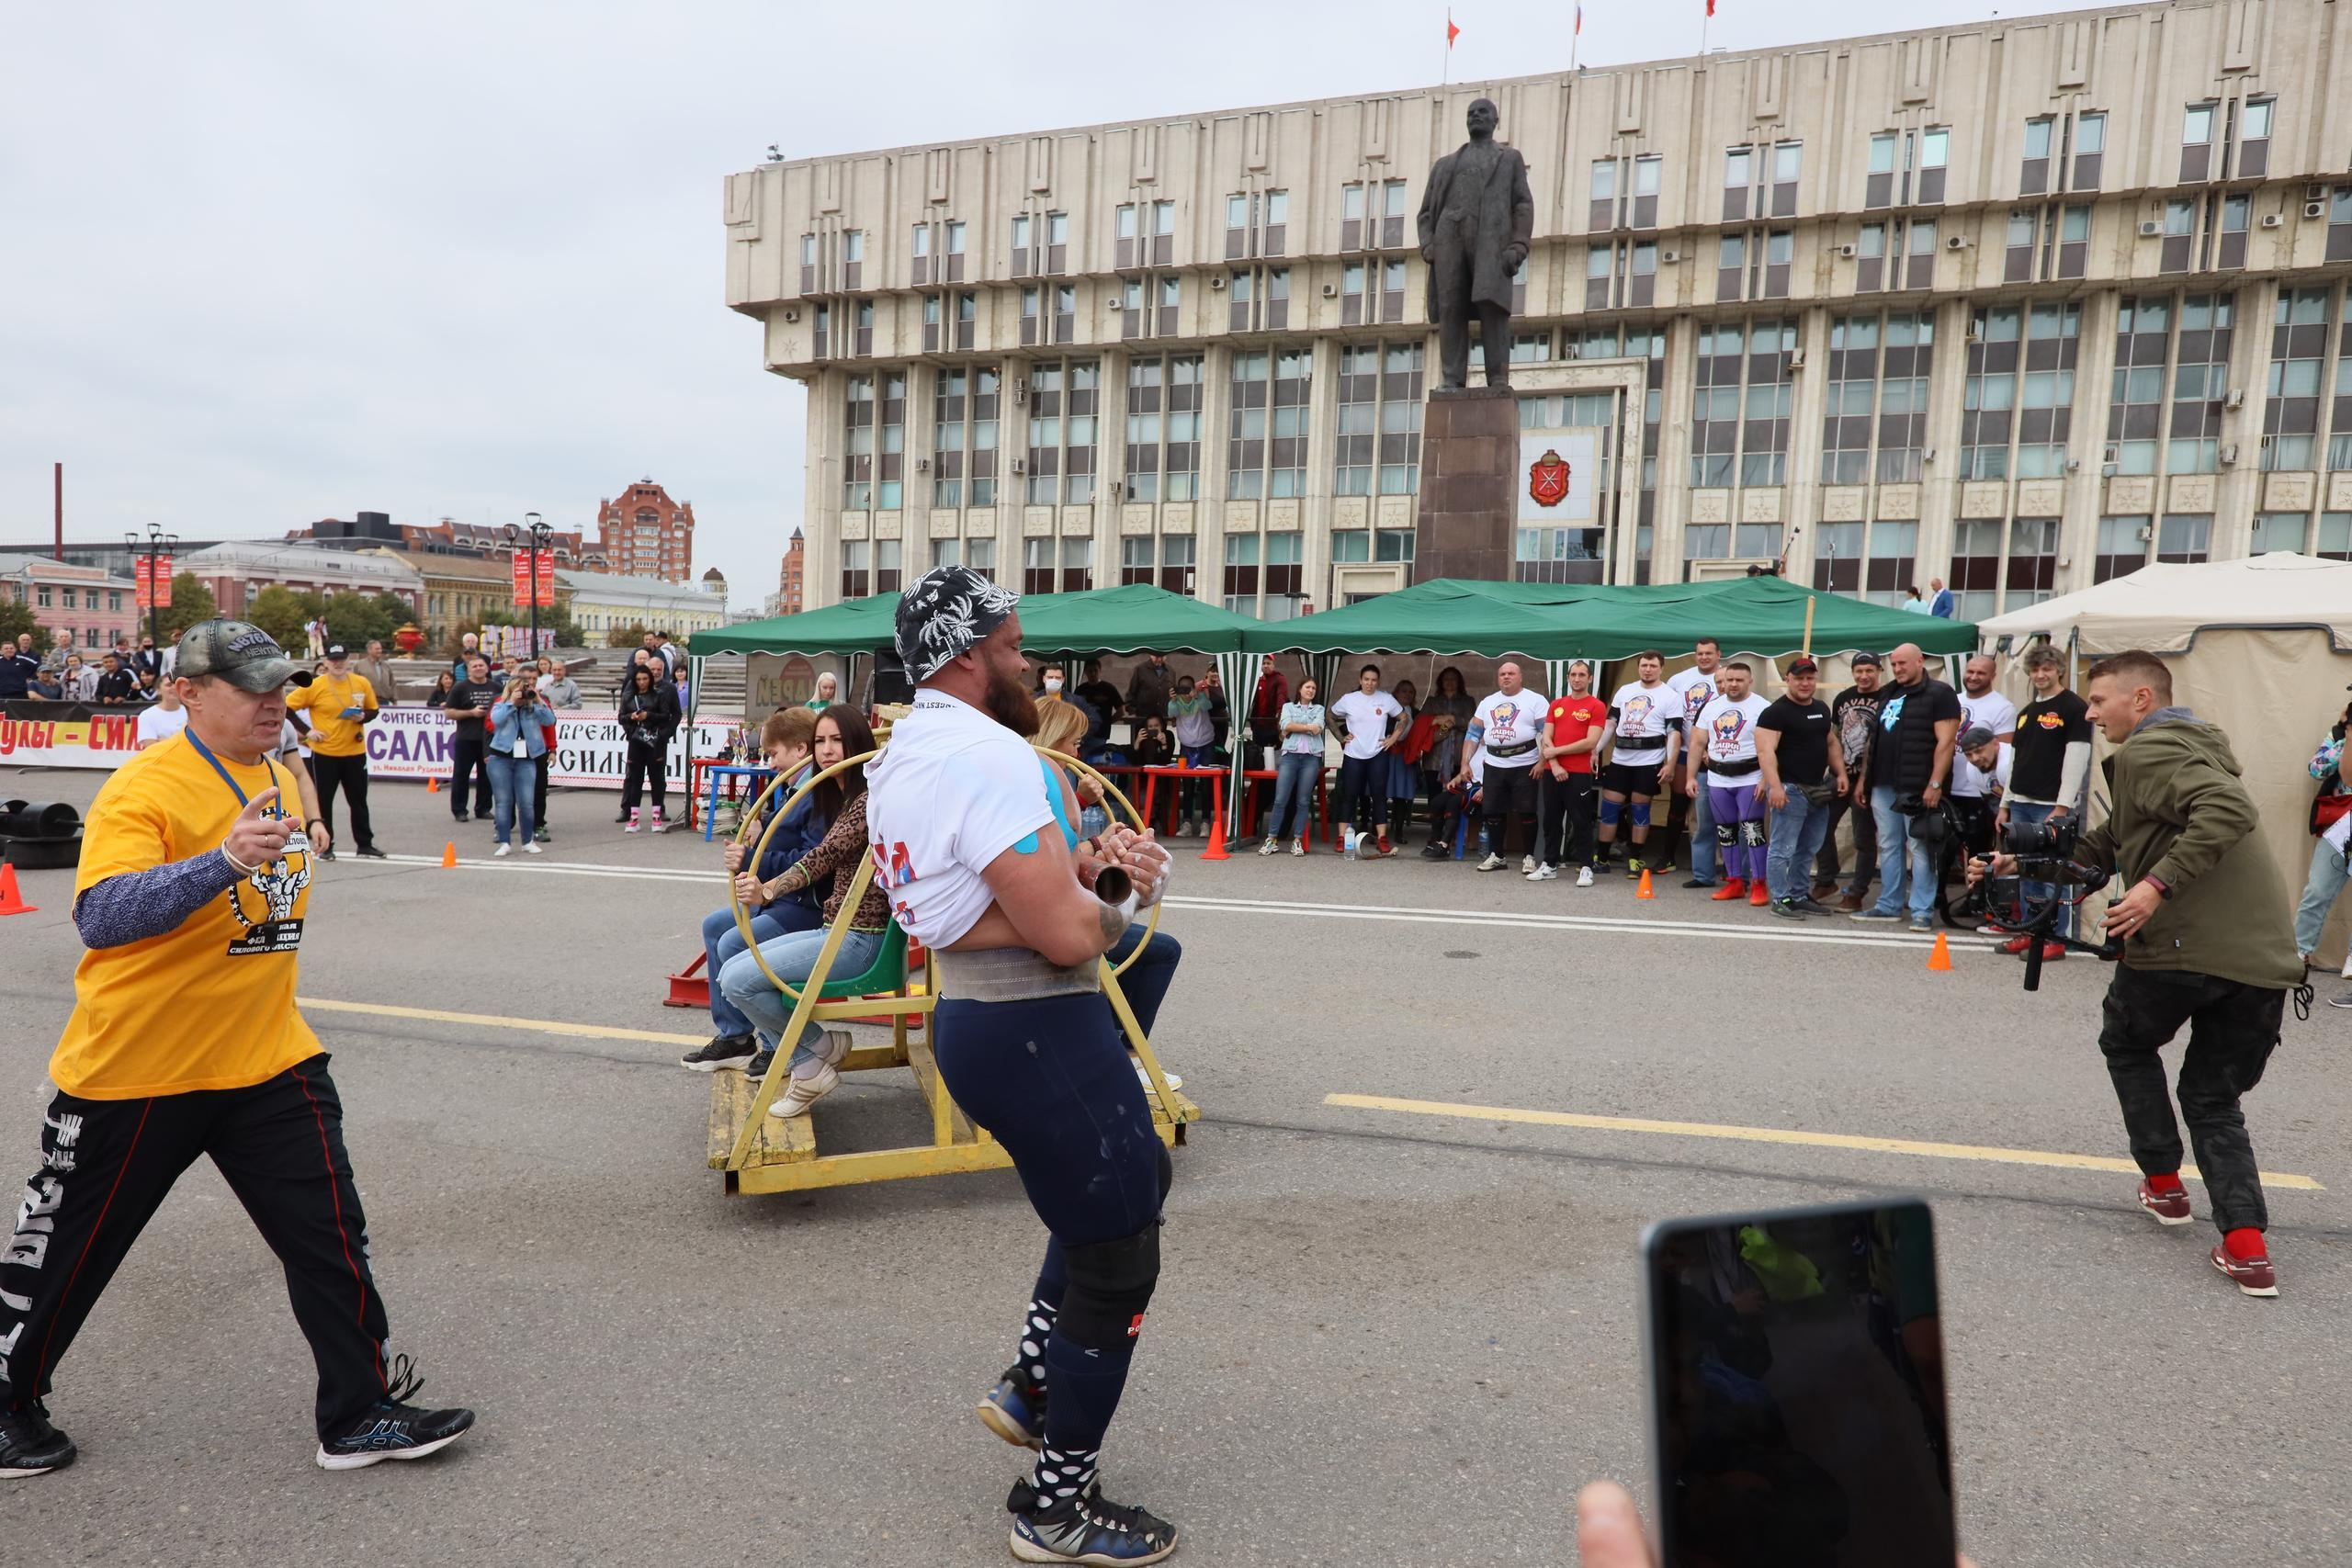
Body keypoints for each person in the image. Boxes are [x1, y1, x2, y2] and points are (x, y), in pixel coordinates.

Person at [0, 619, 474, 1481]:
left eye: (279, 684)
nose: (273, 701)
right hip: (140, 1067)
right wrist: (220, 861)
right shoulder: (145, 786)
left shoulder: (277, 774)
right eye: (251, 686)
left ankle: (358, 1411)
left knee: (331, 1236)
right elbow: (100, 915)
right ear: (187, 692)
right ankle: (5, 1404)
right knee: (67, 1249)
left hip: (268, 1059)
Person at [863, 566, 1180, 1563]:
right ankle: (1056, 1508)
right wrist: (1119, 893)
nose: (1029, 662)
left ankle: (1034, 1381)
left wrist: (1084, 874)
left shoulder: (906, 748)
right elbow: (1070, 936)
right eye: (1012, 645)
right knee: (1118, 1253)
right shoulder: (990, 754)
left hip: (980, 1020)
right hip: (1035, 1025)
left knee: (1124, 1188)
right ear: (968, 657)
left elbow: (972, 899)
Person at [1970, 650, 2305, 1296]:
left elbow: (2230, 811)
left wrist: (2153, 887)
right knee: (2212, 1099)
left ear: (2143, 699)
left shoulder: (2154, 750)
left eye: (2099, 701)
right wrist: (2016, 862)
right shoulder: (2188, 751)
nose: (2091, 714)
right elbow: (2105, 849)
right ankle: (2247, 1248)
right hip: (2263, 965)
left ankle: (2164, 1184)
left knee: (2126, 1043)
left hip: (2179, 950)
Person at [681, 708, 829, 1069]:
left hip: (803, 905)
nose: (770, 763)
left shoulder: (817, 793)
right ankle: (736, 1036)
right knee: (715, 926)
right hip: (785, 898)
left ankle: (775, 1042)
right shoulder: (796, 787)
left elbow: (811, 860)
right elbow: (790, 836)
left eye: (774, 754)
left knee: (734, 941)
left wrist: (751, 859)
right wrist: (762, 826)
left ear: (799, 749)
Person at [1852, 642, 1961, 934]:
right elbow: (1874, 741)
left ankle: (1922, 910)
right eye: (1894, 664)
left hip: (1917, 785)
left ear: (1920, 661)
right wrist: (1864, 779)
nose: (1898, 669)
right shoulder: (1889, 692)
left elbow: (1946, 743)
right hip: (1883, 782)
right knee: (1888, 845)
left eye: (1903, 663)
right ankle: (1889, 905)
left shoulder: (1940, 693)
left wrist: (1935, 783)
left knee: (1920, 847)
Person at [1997, 646, 2093, 962]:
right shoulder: (2026, 712)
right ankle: (2031, 932)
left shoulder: (2073, 707)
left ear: (2059, 670)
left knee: (2053, 873)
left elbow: (2077, 759)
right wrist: (2005, 803)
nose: (2040, 675)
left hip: (2050, 804)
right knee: (2026, 871)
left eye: (2047, 669)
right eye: (2035, 669)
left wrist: (2062, 806)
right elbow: (2015, 761)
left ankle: (2054, 937)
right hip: (2021, 801)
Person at [1755, 657, 1846, 919]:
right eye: (1799, 678)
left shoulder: (1821, 708)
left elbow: (1831, 743)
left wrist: (1840, 773)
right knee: (1782, 849)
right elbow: (1765, 752)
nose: (1805, 683)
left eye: (1810, 678)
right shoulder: (1775, 713)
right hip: (1790, 789)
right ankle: (1780, 898)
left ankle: (1799, 894)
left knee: (1808, 848)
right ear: (1788, 680)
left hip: (1818, 788)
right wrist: (1775, 787)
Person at [285, 644, 382, 863]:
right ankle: (326, 846)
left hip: (355, 751)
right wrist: (308, 731)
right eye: (333, 660)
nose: (338, 664)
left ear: (348, 661)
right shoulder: (316, 685)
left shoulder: (361, 683)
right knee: (324, 801)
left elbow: (373, 710)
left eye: (341, 659)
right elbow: (287, 707)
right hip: (325, 753)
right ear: (326, 662)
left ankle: (365, 844)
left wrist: (363, 717)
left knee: (359, 800)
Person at [1690, 661, 1772, 905]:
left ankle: (1758, 884)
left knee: (1753, 831)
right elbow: (1697, 743)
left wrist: (1766, 779)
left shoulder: (1763, 707)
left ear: (1750, 681)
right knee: (1725, 832)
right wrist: (1690, 776)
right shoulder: (1711, 707)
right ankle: (1734, 882)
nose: (1733, 684)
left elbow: (1773, 748)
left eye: (1739, 680)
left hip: (1750, 777)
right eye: (1729, 680)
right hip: (1717, 778)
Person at [1598, 651, 1681, 880]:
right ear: (1638, 667)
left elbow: (1674, 733)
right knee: (1609, 808)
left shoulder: (1670, 696)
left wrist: (1670, 764)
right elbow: (1610, 724)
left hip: (1649, 761)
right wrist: (1595, 750)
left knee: (1640, 809)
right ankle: (1601, 858)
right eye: (1644, 665)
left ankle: (1635, 858)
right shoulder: (1625, 691)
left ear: (1661, 668)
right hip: (1620, 759)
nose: (1648, 669)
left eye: (1652, 666)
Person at [1815, 651, 1885, 910]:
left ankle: (1857, 892)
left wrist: (1865, 781)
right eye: (1859, 671)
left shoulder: (1887, 698)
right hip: (1839, 775)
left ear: (1879, 671)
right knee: (1818, 825)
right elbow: (1834, 738)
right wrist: (1833, 770)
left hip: (1869, 781)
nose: (1864, 676)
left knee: (1862, 838)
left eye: (1869, 670)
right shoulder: (1843, 698)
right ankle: (1826, 879)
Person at [1461, 662, 1547, 873]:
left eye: (1511, 673)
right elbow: (1473, 734)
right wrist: (1465, 762)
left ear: (1521, 677)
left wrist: (1542, 762)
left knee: (1527, 811)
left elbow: (1547, 734)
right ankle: (1497, 855)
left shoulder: (1535, 700)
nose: (1506, 677)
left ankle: (1529, 857)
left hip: (1525, 763)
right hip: (1494, 763)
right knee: (1493, 811)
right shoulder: (1488, 702)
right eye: (1502, 674)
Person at [2295, 699, 2351, 1009]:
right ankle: (2297, 956)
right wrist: (2344, 733)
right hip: (2339, 827)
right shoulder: (2341, 736)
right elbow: (2316, 768)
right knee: (2316, 890)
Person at [1532, 660, 1607, 885]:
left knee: (1581, 820)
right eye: (1573, 674)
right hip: (1552, 771)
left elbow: (1590, 742)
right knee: (1551, 819)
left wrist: (1556, 751)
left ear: (1590, 678)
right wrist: (1555, 764)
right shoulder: (1556, 704)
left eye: (1582, 675)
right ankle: (1549, 864)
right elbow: (1546, 737)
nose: (1577, 679)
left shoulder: (1596, 706)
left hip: (1578, 772)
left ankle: (1586, 867)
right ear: (1568, 678)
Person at [1949, 654, 2017, 870]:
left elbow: (2003, 750)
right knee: (1946, 850)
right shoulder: (1953, 700)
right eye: (1970, 671)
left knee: (1982, 851)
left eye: (1981, 673)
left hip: (1984, 793)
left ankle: (1983, 889)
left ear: (1993, 676)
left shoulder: (2002, 706)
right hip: (1951, 787)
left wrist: (2002, 808)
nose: (1973, 677)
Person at [1667, 639, 1724, 887]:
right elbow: (1669, 715)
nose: (1704, 657)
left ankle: (1729, 868)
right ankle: (1669, 857)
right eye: (1700, 653)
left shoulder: (1730, 678)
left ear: (1718, 655)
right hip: (1687, 752)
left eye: (1709, 653)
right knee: (1681, 807)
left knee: (1725, 816)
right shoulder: (1679, 679)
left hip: (1724, 759)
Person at [1329, 664, 1403, 857]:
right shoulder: (1349, 699)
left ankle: (1382, 838)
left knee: (1379, 796)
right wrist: (1340, 737)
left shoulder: (1386, 699)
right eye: (1366, 679)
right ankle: (1342, 837)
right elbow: (1329, 715)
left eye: (1373, 680)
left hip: (1378, 753)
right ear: (1360, 680)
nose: (1370, 683)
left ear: (1378, 681)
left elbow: (1404, 718)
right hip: (1353, 754)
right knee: (1349, 795)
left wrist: (1393, 738)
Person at [483, 674, 553, 858]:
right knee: (503, 802)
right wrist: (512, 703)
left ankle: (527, 842)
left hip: (527, 759)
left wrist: (538, 700)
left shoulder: (533, 708)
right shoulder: (501, 704)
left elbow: (549, 720)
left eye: (526, 688)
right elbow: (496, 720)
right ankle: (504, 842)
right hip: (501, 758)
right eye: (520, 690)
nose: (524, 693)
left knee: (527, 803)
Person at [1261, 677, 1324, 857]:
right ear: (1300, 689)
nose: (1310, 690)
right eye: (1307, 687)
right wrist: (1306, 727)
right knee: (1280, 799)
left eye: (1313, 688)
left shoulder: (1319, 709)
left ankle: (1297, 840)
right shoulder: (1288, 707)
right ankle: (1271, 838)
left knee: (1303, 800)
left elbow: (1318, 728)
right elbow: (1285, 725)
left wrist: (1294, 727)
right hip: (1290, 756)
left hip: (1311, 758)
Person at [617, 660, 680, 832]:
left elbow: (667, 716)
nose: (642, 682)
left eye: (645, 679)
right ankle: (633, 817)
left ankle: (656, 816)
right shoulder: (628, 696)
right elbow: (621, 717)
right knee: (635, 779)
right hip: (636, 742)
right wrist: (632, 718)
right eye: (639, 679)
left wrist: (649, 716)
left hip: (655, 742)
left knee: (656, 779)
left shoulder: (660, 694)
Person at [1419, 667, 1476, 850]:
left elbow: (1472, 724)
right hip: (1434, 759)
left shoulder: (1468, 701)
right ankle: (1435, 835)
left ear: (1459, 682)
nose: (1450, 682)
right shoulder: (1432, 701)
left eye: (1453, 679)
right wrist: (1445, 727)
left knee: (1454, 799)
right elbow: (1424, 725)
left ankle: (1450, 836)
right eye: (1446, 679)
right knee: (1435, 799)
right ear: (1440, 682)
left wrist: (1452, 719)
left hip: (1459, 759)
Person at [444, 653, 498, 825]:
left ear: (487, 668)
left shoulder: (496, 687)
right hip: (466, 738)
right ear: (468, 670)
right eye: (474, 666)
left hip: (489, 740)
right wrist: (471, 713)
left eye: (481, 665)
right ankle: (459, 810)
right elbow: (449, 712)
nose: (478, 668)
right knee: (461, 775)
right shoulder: (460, 688)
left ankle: (483, 808)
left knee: (487, 776)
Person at [1165, 674, 1217, 839]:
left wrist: (1197, 696)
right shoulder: (1175, 703)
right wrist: (1173, 700)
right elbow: (1171, 712)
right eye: (1182, 688)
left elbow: (1208, 706)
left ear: (1194, 688)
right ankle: (1186, 822)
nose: (1185, 692)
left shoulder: (1200, 698)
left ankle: (1205, 822)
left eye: (1188, 688)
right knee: (1187, 786)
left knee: (1206, 785)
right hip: (1186, 747)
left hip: (1206, 745)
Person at [1382, 677, 1424, 849]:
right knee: (1380, 794)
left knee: (1400, 797)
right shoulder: (1387, 710)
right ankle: (1376, 831)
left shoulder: (1416, 713)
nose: (1407, 694)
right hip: (1385, 755)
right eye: (1404, 691)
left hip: (1405, 758)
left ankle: (1399, 831)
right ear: (1396, 693)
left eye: (1411, 692)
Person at [1246, 654, 1288, 771]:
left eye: (1268, 663)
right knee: (1258, 756)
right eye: (1263, 663)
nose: (1266, 666)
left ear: (1273, 665)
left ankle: (1271, 781)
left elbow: (1281, 696)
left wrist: (1279, 712)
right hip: (1258, 724)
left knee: (1273, 756)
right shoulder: (1257, 680)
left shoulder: (1279, 679)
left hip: (1273, 725)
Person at [1125, 653, 1173, 732]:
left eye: (1162, 656)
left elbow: (1173, 693)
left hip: (1162, 718)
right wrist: (1132, 712)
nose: (1159, 660)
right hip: (1142, 717)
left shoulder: (1171, 671)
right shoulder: (1140, 669)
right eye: (1157, 656)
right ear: (1150, 655)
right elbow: (1131, 693)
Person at [135, 675, 188, 746]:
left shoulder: (192, 713)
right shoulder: (147, 715)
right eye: (169, 685)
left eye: (177, 685)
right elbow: (151, 747)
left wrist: (164, 742)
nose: (174, 687)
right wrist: (181, 742)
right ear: (158, 690)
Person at [354, 640, 398, 706]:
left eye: (380, 649)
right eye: (377, 649)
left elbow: (392, 684)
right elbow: (354, 683)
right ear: (369, 650)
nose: (380, 651)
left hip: (384, 702)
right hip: (366, 702)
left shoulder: (386, 666)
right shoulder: (359, 665)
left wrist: (395, 701)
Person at [0, 632, 38, 700]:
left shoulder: (23, 660)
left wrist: (32, 679)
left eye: (11, 648)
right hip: (2, 695)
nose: (9, 650)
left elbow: (39, 668)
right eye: (6, 648)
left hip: (20, 695)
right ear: (1, 651)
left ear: (15, 650)